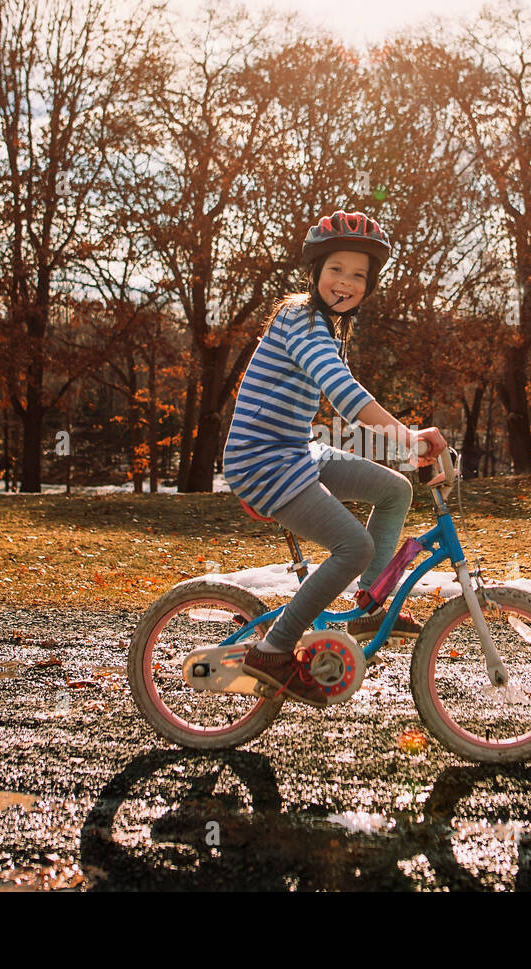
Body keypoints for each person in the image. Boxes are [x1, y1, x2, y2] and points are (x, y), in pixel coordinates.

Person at [222, 210, 448, 707]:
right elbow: (344, 394)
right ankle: (273, 649)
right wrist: (409, 437)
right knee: (354, 545)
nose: (345, 282)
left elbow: (346, 414)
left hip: (295, 451)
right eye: (336, 269)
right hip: (262, 461)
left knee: (395, 490)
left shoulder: (327, 328)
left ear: (368, 286)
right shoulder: (299, 318)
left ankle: (368, 603)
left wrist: (402, 450)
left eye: (359, 275)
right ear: (315, 272)